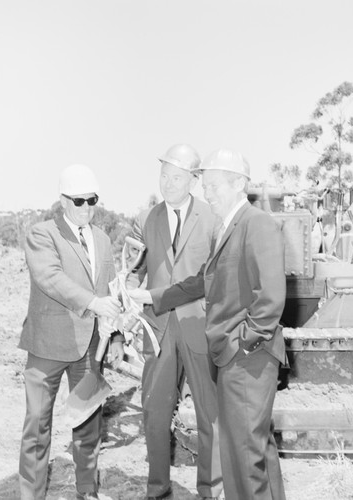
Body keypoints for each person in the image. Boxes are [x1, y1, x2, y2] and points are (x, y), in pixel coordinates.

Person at [130, 148, 287, 500]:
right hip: (234, 353)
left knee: (243, 454)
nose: (206, 191)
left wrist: (241, 343)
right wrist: (152, 298)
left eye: (213, 184)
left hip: (246, 355)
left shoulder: (256, 223)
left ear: (238, 184)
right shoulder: (229, 227)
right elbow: (203, 280)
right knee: (255, 449)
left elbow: (271, 297)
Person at [18, 163, 124, 500]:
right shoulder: (42, 234)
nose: (87, 208)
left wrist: (117, 335)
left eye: (92, 200)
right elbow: (50, 279)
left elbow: (110, 291)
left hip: (91, 348)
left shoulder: (104, 240)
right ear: (63, 201)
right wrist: (93, 303)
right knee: (38, 425)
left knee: (88, 423)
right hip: (48, 346)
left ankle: (86, 491)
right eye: (79, 201)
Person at [131, 144, 223, 500]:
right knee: (155, 410)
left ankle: (211, 489)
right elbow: (134, 271)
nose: (169, 184)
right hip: (157, 330)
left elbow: (213, 276)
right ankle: (158, 488)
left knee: (208, 411)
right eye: (164, 176)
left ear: (194, 180)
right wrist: (125, 296)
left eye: (177, 177)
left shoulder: (212, 218)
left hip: (199, 327)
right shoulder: (145, 219)